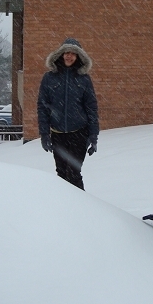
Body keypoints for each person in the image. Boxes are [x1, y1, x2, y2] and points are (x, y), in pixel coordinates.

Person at [37, 37, 99, 190]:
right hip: (58, 134)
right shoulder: (49, 78)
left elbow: (91, 107)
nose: (69, 56)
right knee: (62, 174)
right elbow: (42, 107)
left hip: (79, 133)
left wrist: (93, 136)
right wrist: (44, 135)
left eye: (73, 53)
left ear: (78, 57)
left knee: (74, 173)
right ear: (61, 54)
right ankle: (64, 209)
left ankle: (82, 209)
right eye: (66, 53)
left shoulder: (83, 79)